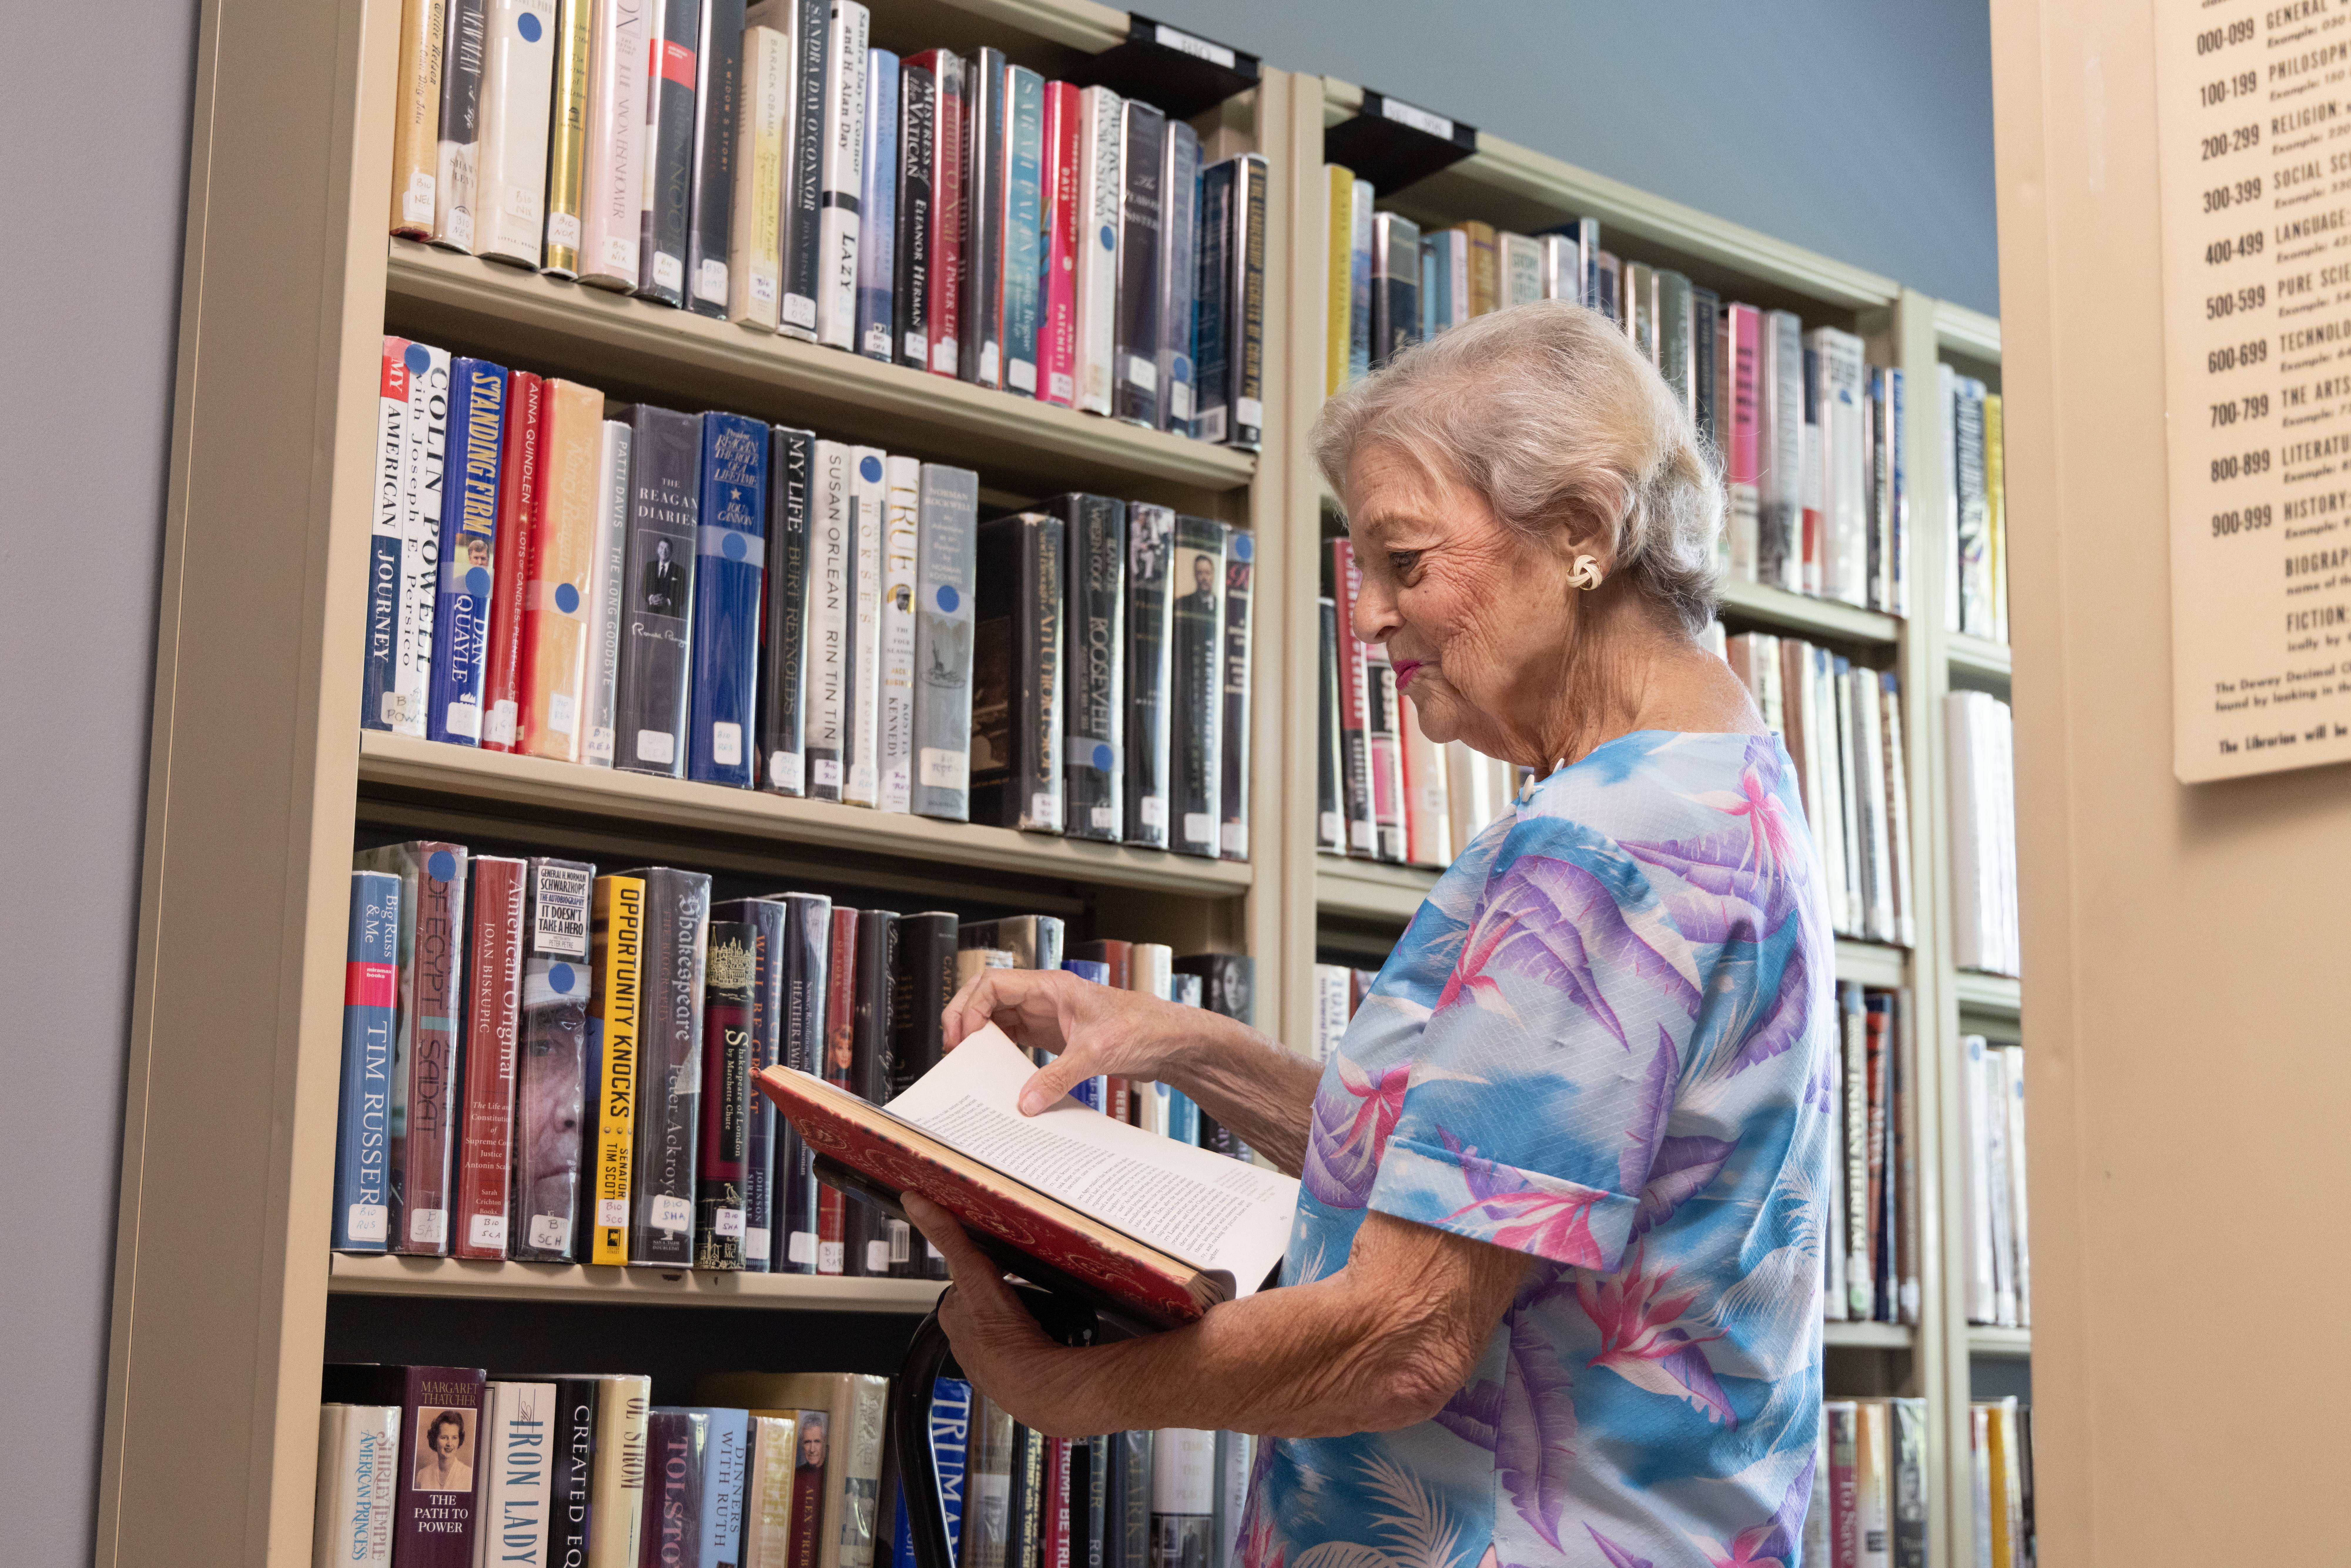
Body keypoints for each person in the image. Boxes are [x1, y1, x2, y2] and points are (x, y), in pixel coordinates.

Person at [904, 299, 1833, 1568]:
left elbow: (1406, 1339)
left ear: (1578, 532)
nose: (1370, 619)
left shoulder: (1605, 848)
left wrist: (1066, 1394)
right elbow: (1494, 1186)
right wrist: (1182, 1047)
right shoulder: (1721, 788)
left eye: (1405, 562)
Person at [414, 1409, 471, 1493]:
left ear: (460, 1440)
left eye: (454, 1438)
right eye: (444, 1437)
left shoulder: (469, 1475)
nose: (450, 1444)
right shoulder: (422, 1475)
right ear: (435, 1439)